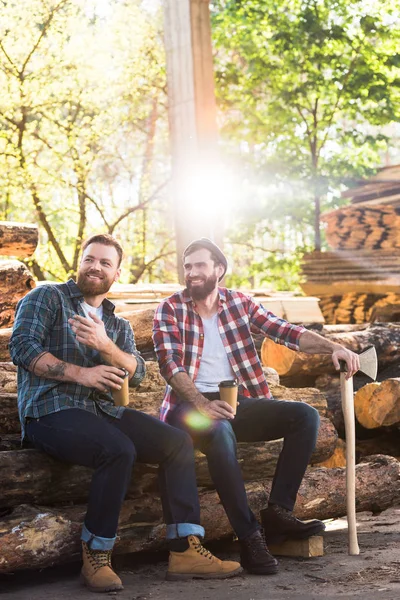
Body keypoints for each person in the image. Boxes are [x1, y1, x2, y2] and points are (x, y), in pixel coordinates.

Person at [9, 234, 242, 594]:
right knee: (118, 449)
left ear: (117, 273)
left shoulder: (116, 324)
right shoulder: (47, 297)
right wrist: (82, 373)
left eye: (105, 263)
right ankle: (97, 554)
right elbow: (22, 348)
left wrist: (105, 346)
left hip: (103, 411)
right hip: (50, 410)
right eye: (90, 259)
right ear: (80, 263)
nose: (95, 267)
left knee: (177, 442)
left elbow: (140, 371)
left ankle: (184, 550)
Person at [153, 237, 360, 576]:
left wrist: (333, 347)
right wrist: (204, 404)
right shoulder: (170, 308)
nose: (191, 273)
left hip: (237, 402)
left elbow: (287, 332)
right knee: (218, 432)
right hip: (187, 407)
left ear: (218, 269)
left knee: (303, 416)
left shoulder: (239, 303)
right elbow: (169, 365)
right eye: (187, 266)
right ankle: (250, 535)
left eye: (200, 265)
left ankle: (278, 513)